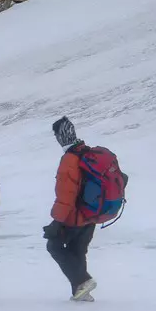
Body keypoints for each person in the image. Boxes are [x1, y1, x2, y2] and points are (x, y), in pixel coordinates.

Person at [44, 115, 98, 301]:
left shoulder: (70, 159)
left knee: (54, 245)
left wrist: (56, 222)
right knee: (77, 251)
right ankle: (81, 292)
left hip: (75, 217)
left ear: (60, 136)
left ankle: (83, 281)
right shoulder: (88, 153)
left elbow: (66, 195)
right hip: (92, 215)